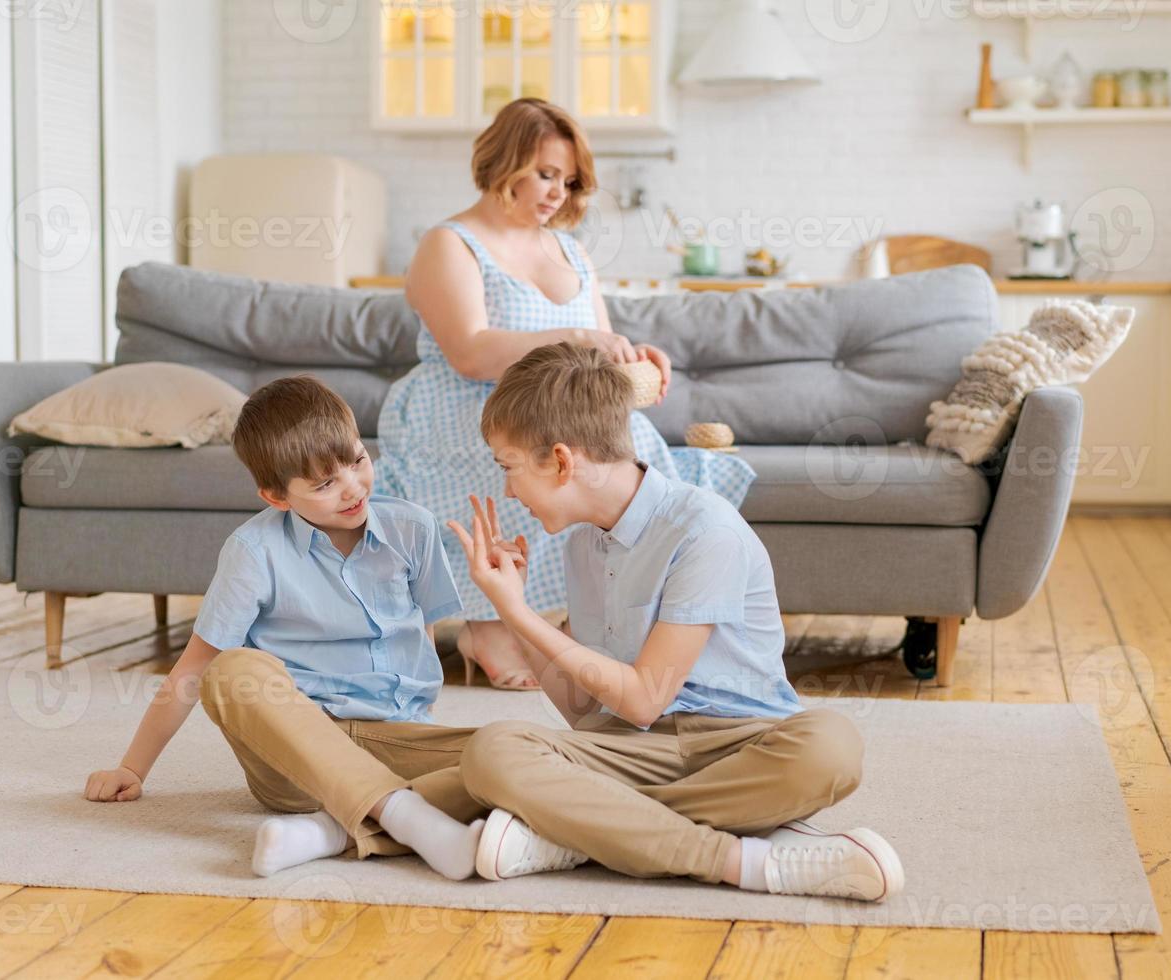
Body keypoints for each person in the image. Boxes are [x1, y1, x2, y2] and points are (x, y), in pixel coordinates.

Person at [449, 343, 904, 902]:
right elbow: (583, 711)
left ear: (562, 462)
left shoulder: (705, 530)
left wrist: (520, 614)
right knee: (493, 750)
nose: (507, 490)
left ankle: (582, 833)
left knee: (831, 747)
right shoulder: (581, 550)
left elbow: (643, 698)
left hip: (740, 747)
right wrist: (510, 609)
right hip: (630, 751)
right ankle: (742, 857)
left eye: (509, 468)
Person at [376, 97, 754, 692]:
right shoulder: (450, 243)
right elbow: (470, 351)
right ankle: (487, 626)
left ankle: (612, 622)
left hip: (557, 407)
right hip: (465, 404)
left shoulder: (571, 250)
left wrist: (627, 359)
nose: (559, 191)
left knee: (634, 463)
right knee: (517, 458)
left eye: (569, 179)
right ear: (504, 160)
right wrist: (578, 335)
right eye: (546, 173)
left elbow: (593, 348)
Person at [82, 377, 484, 880]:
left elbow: (421, 640)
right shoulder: (253, 551)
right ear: (276, 496)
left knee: (519, 754)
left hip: (398, 741)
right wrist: (132, 769)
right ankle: (406, 816)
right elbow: (193, 671)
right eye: (323, 484)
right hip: (294, 764)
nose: (352, 487)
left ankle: (327, 832)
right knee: (229, 670)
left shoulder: (414, 527)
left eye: (357, 461)